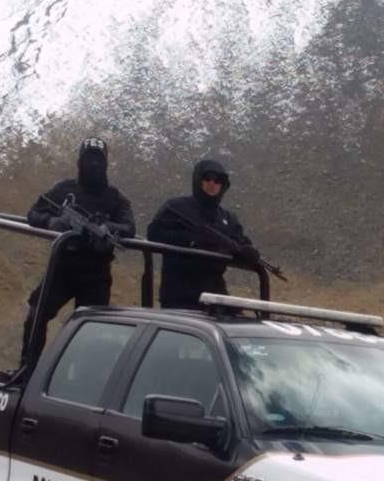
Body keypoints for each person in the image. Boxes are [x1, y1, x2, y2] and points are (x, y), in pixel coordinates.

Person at [20, 137, 135, 364]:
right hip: (63, 268)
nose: (93, 165)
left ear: (106, 163)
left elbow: (129, 228)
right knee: (36, 315)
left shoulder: (115, 198)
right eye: (89, 159)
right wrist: (53, 222)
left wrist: (108, 227)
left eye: (98, 160)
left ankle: (78, 382)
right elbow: (34, 213)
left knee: (90, 333)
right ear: (80, 161)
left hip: (96, 273)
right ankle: (27, 370)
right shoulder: (64, 190)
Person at [147, 159, 260, 309]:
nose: (212, 183)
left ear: (224, 184)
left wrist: (248, 253)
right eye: (207, 178)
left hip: (215, 293)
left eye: (218, 180)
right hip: (179, 294)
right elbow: (154, 234)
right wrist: (192, 240)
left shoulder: (227, 217)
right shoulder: (175, 207)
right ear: (198, 180)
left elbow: (241, 242)